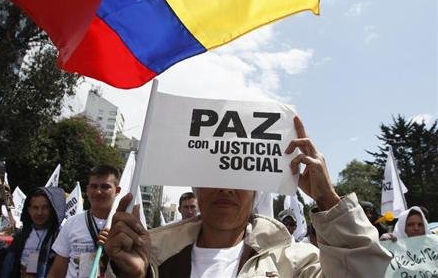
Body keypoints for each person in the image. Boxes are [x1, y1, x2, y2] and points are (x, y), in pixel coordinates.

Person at [104, 116, 392, 278]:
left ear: (257, 186)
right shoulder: (153, 255)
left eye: (239, 176)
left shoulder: (297, 263)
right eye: (215, 174)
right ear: (197, 186)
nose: (226, 188)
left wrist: (329, 200)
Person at [48, 165, 121, 278]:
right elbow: (57, 271)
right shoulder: (71, 223)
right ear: (87, 189)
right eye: (93, 186)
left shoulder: (122, 226)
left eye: (105, 187)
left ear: (117, 190)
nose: (98, 192)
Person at [0, 186, 65, 278]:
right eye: (35, 207)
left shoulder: (59, 237)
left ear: (51, 210)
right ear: (29, 210)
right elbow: (8, 268)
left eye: (44, 208)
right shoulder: (21, 237)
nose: (39, 212)